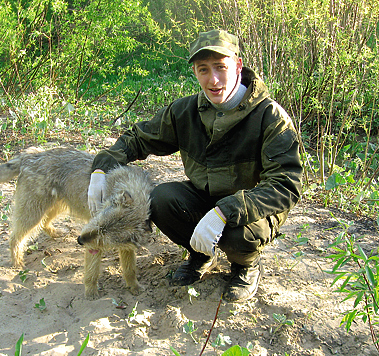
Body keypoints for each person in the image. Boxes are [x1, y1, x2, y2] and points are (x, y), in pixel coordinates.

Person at [86, 29, 302, 302]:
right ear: (195, 73)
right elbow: (138, 139)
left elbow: (286, 185)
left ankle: (245, 266)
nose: (213, 80)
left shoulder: (270, 116)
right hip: (204, 197)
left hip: (251, 209)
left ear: (237, 66)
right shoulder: (185, 111)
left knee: (237, 237)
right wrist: (100, 168)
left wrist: (225, 211)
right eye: (203, 70)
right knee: (160, 200)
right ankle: (201, 255)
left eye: (220, 68)